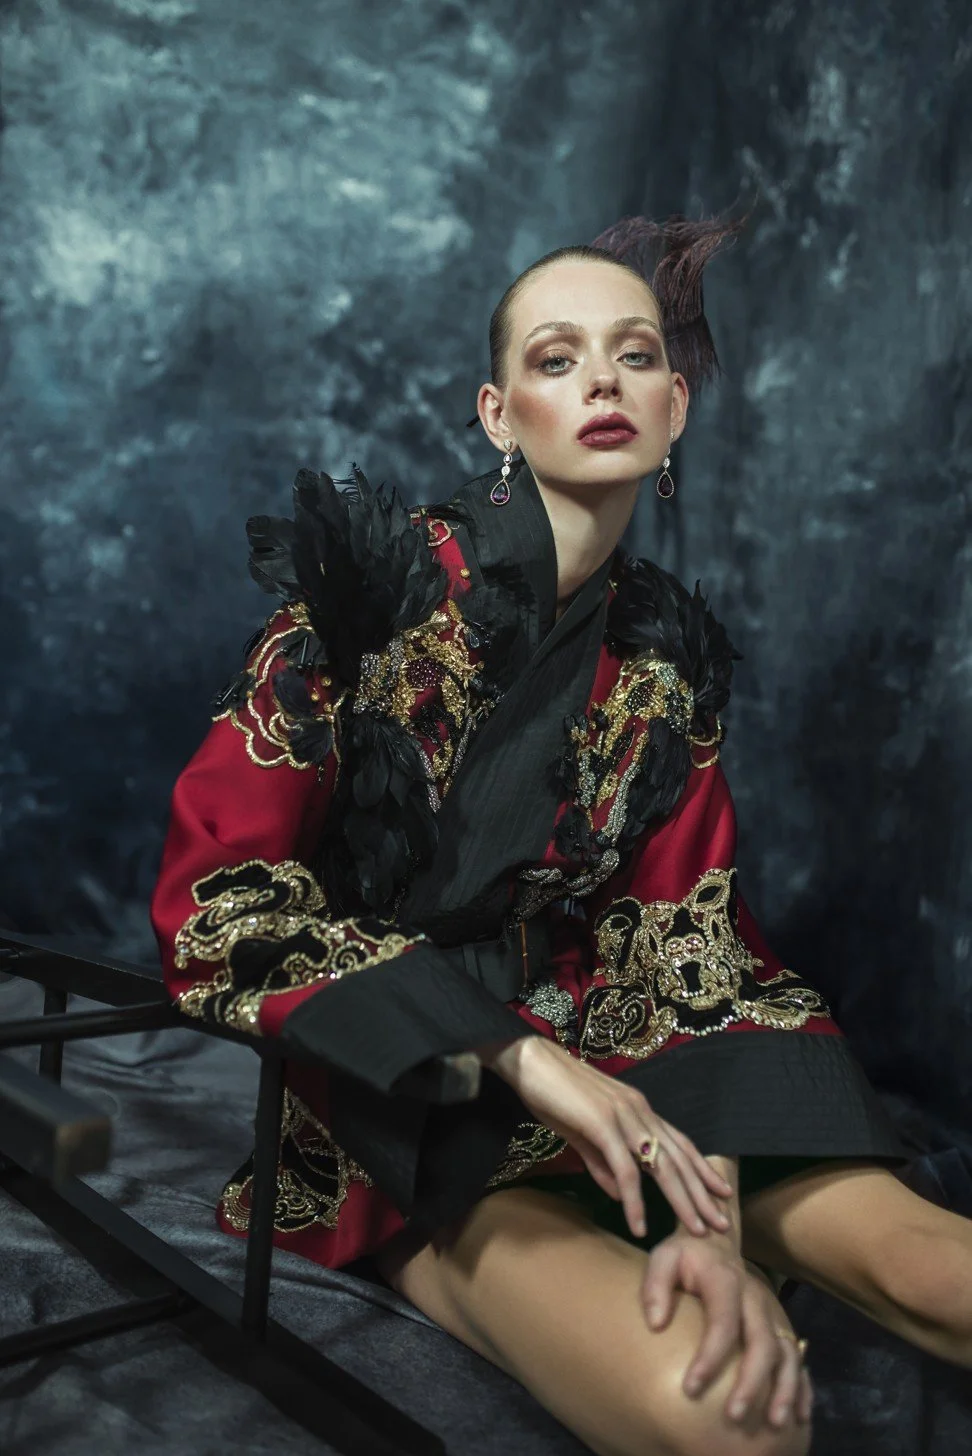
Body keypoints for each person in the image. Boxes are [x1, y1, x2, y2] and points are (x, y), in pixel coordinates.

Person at [150, 210, 972, 1456]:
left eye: (636, 355)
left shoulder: (663, 661)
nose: (601, 379)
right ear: (497, 414)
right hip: (413, 1098)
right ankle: (440, 1257)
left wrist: (714, 1216)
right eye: (556, 357)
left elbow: (688, 950)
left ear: (676, 408)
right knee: (736, 1419)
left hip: (631, 1069)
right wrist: (519, 1059)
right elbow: (221, 904)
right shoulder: (362, 608)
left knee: (940, 1276)